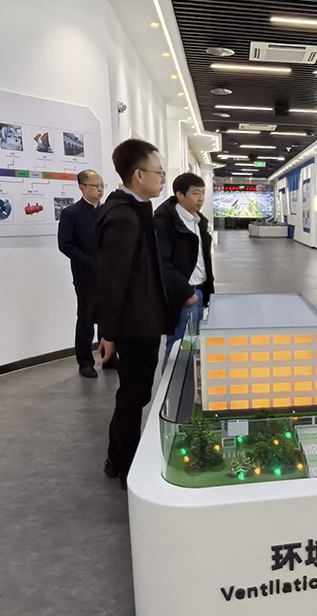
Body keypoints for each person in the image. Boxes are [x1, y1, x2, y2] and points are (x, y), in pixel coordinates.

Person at [93, 139, 195, 488]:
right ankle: (125, 466)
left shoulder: (135, 210)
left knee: (134, 394)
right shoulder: (123, 217)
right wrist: (108, 334)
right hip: (133, 326)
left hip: (140, 321)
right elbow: (112, 280)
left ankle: (116, 459)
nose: (162, 179)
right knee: (133, 396)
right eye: (158, 173)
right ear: (138, 175)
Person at [57, 169, 117, 378]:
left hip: (109, 274)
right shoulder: (72, 213)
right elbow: (65, 245)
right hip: (86, 276)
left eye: (102, 186)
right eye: (95, 186)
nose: (100, 190)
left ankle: (109, 357)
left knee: (109, 316)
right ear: (82, 187)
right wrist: (90, 261)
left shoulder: (107, 211)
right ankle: (85, 362)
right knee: (86, 318)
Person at [155, 172, 215, 359]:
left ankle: (191, 378)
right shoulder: (165, 223)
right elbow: (162, 263)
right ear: (180, 195)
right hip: (182, 296)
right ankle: (175, 379)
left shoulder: (198, 221)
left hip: (199, 292)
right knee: (178, 348)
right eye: (196, 193)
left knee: (193, 346)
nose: (201, 198)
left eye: (203, 193)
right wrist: (186, 293)